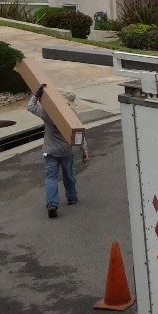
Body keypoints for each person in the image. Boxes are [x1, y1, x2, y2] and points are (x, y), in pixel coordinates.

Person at [28, 83, 89, 218]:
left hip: (50, 151)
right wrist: (85, 151)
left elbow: (30, 107)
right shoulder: (72, 115)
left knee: (51, 178)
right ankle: (72, 197)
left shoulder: (47, 113)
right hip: (66, 151)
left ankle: (52, 204)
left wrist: (37, 95)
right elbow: (79, 135)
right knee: (68, 176)